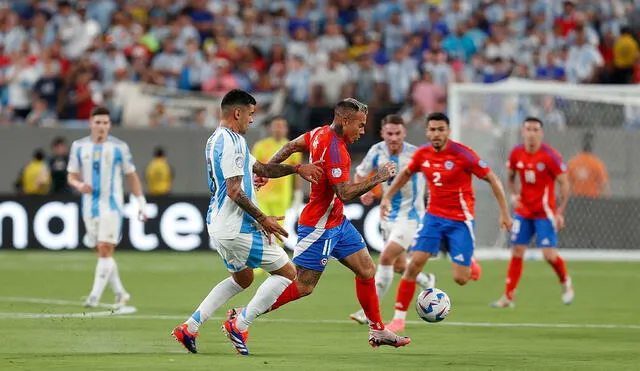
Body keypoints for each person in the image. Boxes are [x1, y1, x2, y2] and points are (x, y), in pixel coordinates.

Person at [228, 98, 411, 349]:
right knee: (302, 286)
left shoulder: (318, 133)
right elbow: (345, 193)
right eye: (360, 125)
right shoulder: (336, 150)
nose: (362, 131)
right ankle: (243, 315)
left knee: (367, 271)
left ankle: (377, 330)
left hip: (337, 221)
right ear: (345, 121)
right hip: (320, 226)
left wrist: (265, 170)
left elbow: (291, 146)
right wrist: (378, 177)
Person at [171, 89, 323, 355]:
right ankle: (239, 324)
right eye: (251, 114)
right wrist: (263, 218)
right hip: (236, 227)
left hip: (218, 224)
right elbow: (234, 190)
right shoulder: (234, 142)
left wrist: (297, 168)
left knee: (243, 279)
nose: (253, 120)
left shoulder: (217, 139)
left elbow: (262, 169)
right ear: (237, 113)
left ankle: (190, 327)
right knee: (290, 274)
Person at [384, 112, 512, 332]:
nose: (436, 134)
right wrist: (387, 196)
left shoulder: (463, 154)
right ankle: (398, 319)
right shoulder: (423, 154)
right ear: (427, 132)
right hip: (433, 217)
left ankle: (470, 263)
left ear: (448, 131)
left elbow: (493, 178)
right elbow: (406, 174)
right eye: (432, 129)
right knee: (414, 263)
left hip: (460, 220)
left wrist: (505, 213)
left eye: (441, 129)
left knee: (461, 279)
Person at [348, 114, 435, 325]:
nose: (394, 138)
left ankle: (368, 312)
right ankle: (426, 280)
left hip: (412, 217)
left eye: (398, 133)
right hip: (388, 216)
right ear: (382, 134)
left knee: (385, 258)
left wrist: (434, 203)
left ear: (404, 133)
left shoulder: (416, 154)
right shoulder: (376, 151)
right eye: (389, 133)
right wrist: (363, 192)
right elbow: (360, 174)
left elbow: (434, 179)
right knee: (398, 266)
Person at [66, 106, 148, 308]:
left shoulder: (119, 147)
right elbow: (72, 175)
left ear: (109, 125)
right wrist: (78, 185)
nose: (101, 126)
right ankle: (120, 293)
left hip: (111, 205)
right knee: (101, 251)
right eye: (98, 122)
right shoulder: (79, 146)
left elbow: (131, 175)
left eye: (105, 122)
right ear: (91, 123)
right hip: (89, 206)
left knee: (105, 248)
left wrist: (141, 202)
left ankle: (94, 296)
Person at [491, 117, 573, 308]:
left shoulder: (550, 156)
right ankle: (508, 297)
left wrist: (560, 212)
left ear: (541, 133)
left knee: (549, 255)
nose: (532, 133)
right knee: (517, 251)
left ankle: (566, 282)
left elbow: (565, 183)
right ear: (523, 132)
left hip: (545, 213)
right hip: (524, 211)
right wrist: (513, 195)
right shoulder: (516, 153)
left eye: (536, 129)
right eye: (528, 129)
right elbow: (510, 178)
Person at [252, 116, 303, 219]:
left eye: (281, 126)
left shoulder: (293, 148)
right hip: (262, 195)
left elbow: (297, 174)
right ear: (270, 128)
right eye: (276, 126)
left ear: (286, 129)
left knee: (278, 229)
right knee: (262, 228)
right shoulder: (260, 146)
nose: (279, 129)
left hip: (282, 196)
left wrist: (298, 193)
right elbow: (252, 170)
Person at [567, 132, 609, 199]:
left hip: (576, 200)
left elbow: (566, 185)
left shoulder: (573, 163)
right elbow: (604, 185)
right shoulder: (597, 164)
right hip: (592, 200)